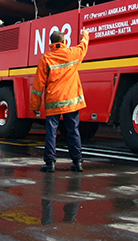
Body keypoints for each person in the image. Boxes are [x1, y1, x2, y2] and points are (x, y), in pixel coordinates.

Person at [31, 29, 89, 172]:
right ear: (64, 42)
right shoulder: (72, 54)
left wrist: (35, 105)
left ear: (51, 43)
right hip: (71, 102)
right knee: (73, 131)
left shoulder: (46, 58)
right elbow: (83, 46)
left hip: (53, 102)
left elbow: (38, 85)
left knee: (51, 132)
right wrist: (84, 35)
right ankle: (77, 162)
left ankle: (50, 163)